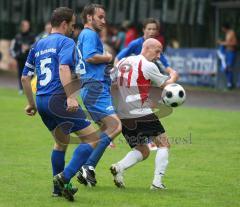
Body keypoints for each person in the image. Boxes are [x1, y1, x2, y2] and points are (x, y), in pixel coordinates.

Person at [21, 7, 100, 201]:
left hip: (41, 100)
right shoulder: (66, 42)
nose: (74, 29)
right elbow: (64, 67)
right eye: (73, 25)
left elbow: (25, 78)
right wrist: (71, 97)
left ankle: (57, 191)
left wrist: (31, 104)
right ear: (64, 24)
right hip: (59, 99)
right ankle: (64, 178)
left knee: (61, 142)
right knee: (93, 138)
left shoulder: (38, 44)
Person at [110, 38, 178, 190]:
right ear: (147, 48)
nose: (159, 56)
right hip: (141, 112)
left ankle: (119, 167)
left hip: (123, 115)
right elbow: (167, 85)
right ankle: (157, 183)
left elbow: (111, 83)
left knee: (143, 150)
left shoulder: (123, 62)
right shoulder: (148, 65)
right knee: (164, 144)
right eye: (157, 51)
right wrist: (174, 76)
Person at [75, 3, 122, 186]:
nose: (104, 20)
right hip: (95, 88)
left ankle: (86, 167)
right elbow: (90, 57)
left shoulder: (86, 35)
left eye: (104, 17)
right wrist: (108, 57)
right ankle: (87, 166)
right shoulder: (89, 34)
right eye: (100, 17)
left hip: (94, 87)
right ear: (89, 17)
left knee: (104, 129)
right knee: (116, 126)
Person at [10, 20, 35, 94]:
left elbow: (35, 46)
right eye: (25, 26)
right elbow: (13, 48)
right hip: (20, 59)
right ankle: (21, 89)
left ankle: (29, 88)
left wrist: (28, 47)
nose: (27, 27)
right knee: (21, 74)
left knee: (30, 74)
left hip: (29, 59)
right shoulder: (17, 37)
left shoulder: (32, 36)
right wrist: (16, 55)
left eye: (27, 25)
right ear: (22, 27)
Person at [217, 23, 238, 89]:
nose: (222, 29)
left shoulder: (232, 33)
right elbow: (227, 42)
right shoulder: (227, 33)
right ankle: (229, 83)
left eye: (223, 28)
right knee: (225, 68)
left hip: (231, 52)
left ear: (225, 28)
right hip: (227, 52)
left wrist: (223, 43)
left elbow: (234, 43)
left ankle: (230, 84)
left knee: (228, 67)